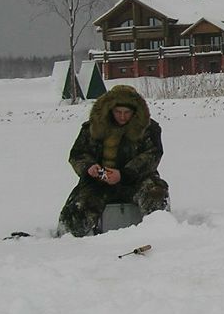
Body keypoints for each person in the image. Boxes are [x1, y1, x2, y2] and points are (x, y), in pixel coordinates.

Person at [58, 84, 170, 237]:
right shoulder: (91, 128)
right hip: (98, 183)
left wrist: (124, 174)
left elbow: (153, 155)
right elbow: (78, 154)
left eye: (127, 112)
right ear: (110, 109)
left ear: (135, 112)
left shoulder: (149, 129)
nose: (122, 116)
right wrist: (89, 168)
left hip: (137, 180)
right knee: (75, 217)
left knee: (156, 194)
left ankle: (159, 234)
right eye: (118, 112)